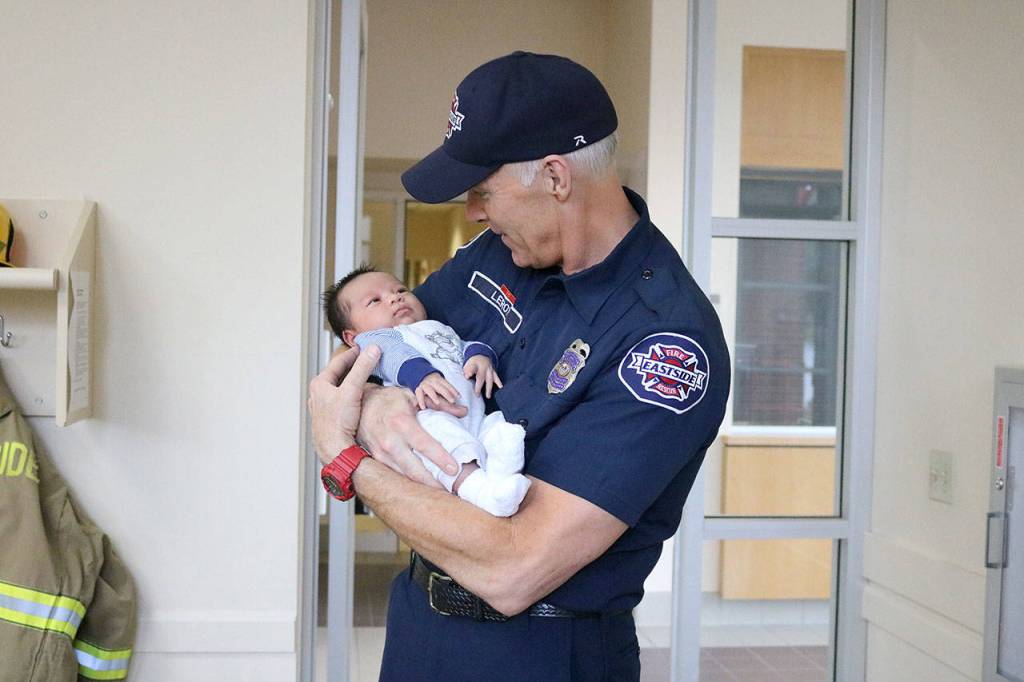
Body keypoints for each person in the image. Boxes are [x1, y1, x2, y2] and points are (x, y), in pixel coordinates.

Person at [308, 51, 730, 680]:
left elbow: (513, 568)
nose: (475, 212)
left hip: (537, 652)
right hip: (421, 621)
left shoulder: (664, 342)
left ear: (555, 177)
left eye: (483, 191)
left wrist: (346, 457)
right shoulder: (500, 255)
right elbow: (366, 348)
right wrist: (381, 399)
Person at [322, 264, 531, 516]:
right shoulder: (376, 339)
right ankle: (481, 493)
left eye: (400, 289)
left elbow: (461, 345)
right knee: (445, 444)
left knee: (498, 429)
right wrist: (422, 375)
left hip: (472, 413)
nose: (394, 297)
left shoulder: (435, 328)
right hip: (427, 414)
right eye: (375, 300)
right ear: (351, 336)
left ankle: (500, 476)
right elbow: (393, 356)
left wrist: (480, 356)